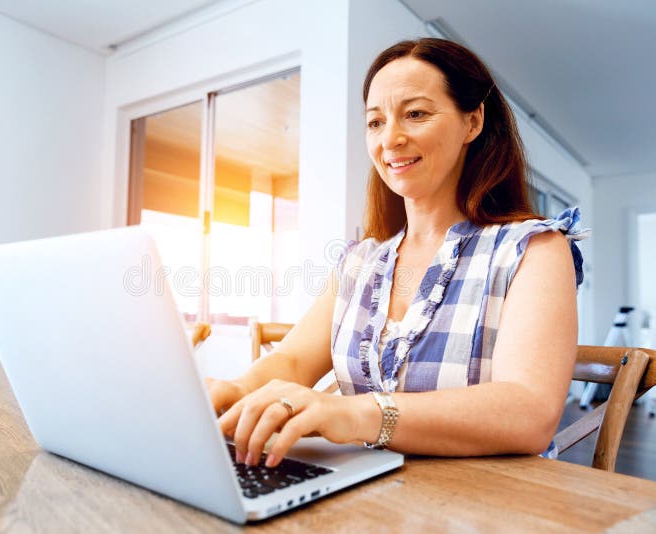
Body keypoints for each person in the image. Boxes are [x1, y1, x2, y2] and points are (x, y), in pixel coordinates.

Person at [207, 38, 588, 468]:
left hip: (488, 505)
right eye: (375, 122)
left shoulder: (533, 250)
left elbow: (529, 411)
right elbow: (293, 360)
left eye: (416, 114)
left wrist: (357, 414)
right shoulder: (361, 262)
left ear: (473, 121)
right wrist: (237, 392)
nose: (391, 138)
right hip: (364, 492)